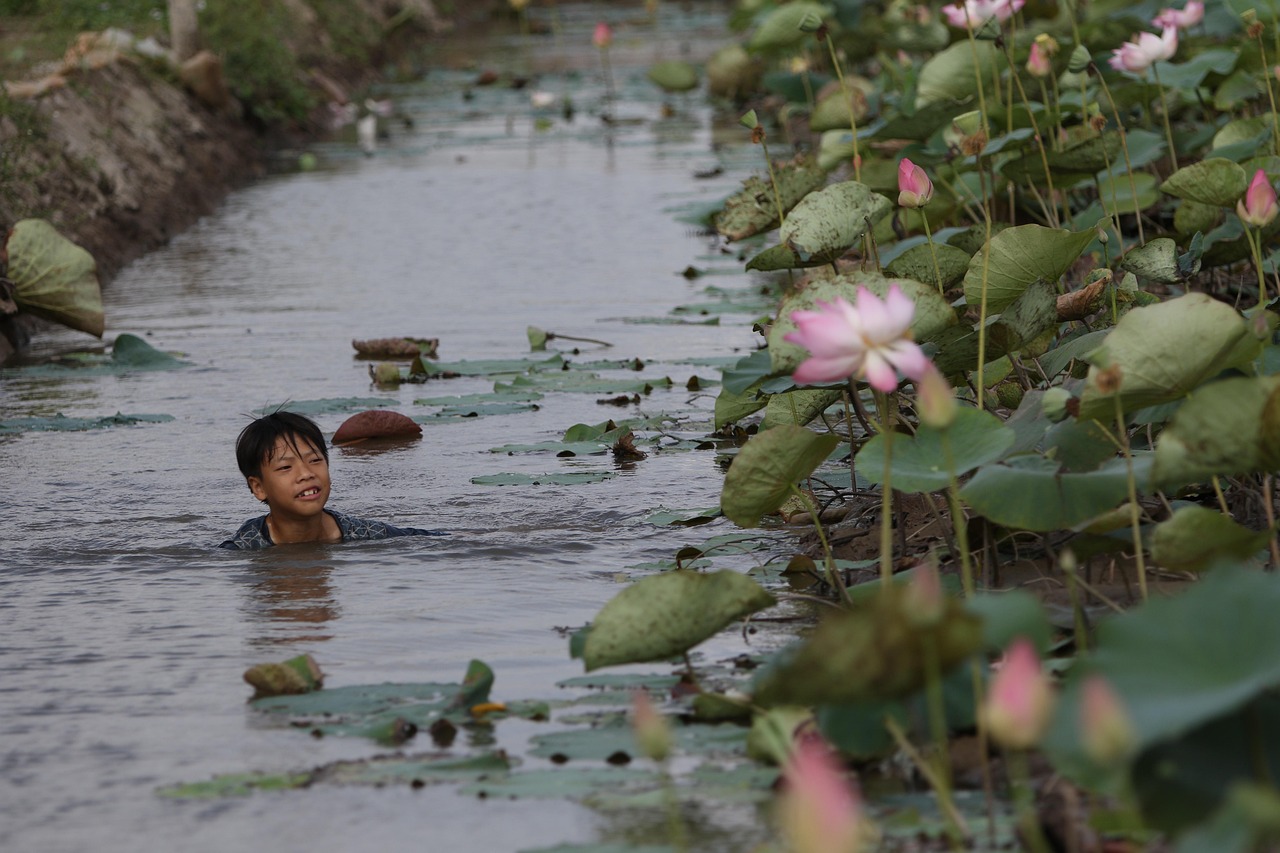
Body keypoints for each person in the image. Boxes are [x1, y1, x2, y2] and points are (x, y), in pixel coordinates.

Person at [220, 410, 443, 550]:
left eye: (315, 460)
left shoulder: (361, 533)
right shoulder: (246, 546)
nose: (306, 474)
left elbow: (420, 538)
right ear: (258, 487)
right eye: (286, 467)